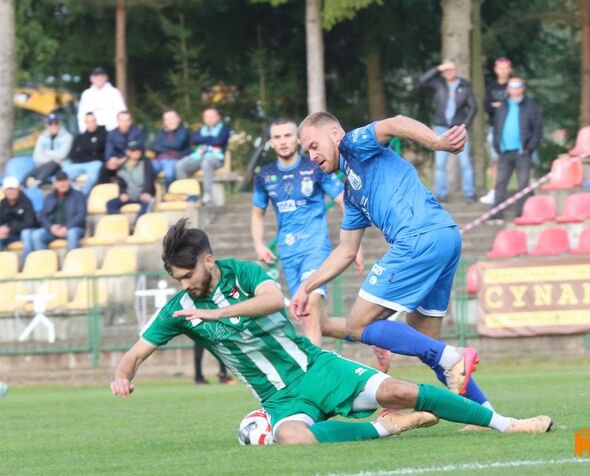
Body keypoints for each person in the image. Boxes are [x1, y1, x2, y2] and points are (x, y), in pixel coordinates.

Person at [109, 219, 552, 445]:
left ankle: (507, 424)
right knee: (290, 438)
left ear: (208, 261)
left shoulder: (242, 273)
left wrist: (211, 317)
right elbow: (135, 351)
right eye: (177, 280)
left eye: (187, 276)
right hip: (280, 399)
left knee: (401, 389)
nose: (184, 286)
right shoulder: (180, 307)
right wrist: (123, 373)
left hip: (316, 367)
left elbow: (272, 300)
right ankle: (386, 430)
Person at [291, 113, 494, 410]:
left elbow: (395, 123)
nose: (312, 156)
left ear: (334, 133)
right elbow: (346, 251)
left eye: (313, 146)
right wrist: (306, 287)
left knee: (359, 324)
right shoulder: (352, 193)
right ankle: (484, 411)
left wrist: (437, 142)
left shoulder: (353, 144)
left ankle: (453, 356)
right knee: (427, 343)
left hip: (418, 239)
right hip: (445, 237)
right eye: (307, 152)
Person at [251, 119, 382, 363]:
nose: (283, 141)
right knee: (322, 324)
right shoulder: (265, 176)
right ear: (271, 142)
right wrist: (259, 243)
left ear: (297, 140)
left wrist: (356, 245)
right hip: (289, 254)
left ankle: (314, 382)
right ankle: (377, 337)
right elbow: (258, 213)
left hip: (316, 248)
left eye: (288, 135)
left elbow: (344, 200)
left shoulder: (314, 167)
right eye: (277, 137)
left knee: (309, 305)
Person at [419, 60, 477, 203]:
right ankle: (441, 195)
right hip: (441, 128)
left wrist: (465, 125)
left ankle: (470, 194)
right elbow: (422, 80)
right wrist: (439, 68)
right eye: (446, 70)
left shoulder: (464, 85)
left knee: (465, 163)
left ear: (456, 70)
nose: (449, 72)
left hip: (459, 128)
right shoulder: (439, 84)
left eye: (451, 69)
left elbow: (473, 107)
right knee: (440, 164)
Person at [488, 77, 543, 223]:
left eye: (518, 86)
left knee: (523, 184)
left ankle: (522, 214)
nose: (515, 89)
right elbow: (496, 128)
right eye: (512, 86)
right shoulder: (503, 107)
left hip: (523, 153)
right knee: (500, 183)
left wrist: (530, 147)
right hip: (505, 152)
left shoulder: (531, 106)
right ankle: (496, 215)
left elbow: (537, 129)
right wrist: (497, 146)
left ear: (522, 88)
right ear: (508, 89)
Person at [21, 171, 86, 259]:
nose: (62, 184)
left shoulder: (79, 196)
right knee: (37, 235)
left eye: (64, 181)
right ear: (55, 183)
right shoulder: (50, 197)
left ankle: (72, 262)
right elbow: (43, 216)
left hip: (72, 228)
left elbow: (81, 215)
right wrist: (51, 227)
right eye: (59, 181)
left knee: (72, 234)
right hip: (53, 229)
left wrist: (67, 227)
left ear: (68, 181)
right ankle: (46, 262)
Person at [177, 108, 230, 205]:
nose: (209, 119)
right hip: (199, 156)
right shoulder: (201, 129)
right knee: (181, 165)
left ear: (218, 117)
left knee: (206, 162)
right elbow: (193, 140)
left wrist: (203, 139)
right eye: (207, 117)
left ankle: (207, 194)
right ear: (204, 119)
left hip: (216, 158)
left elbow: (219, 141)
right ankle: (187, 194)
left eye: (212, 116)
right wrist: (210, 138)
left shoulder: (224, 129)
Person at [480, 57, 513, 206]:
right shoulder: (491, 87)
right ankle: (495, 190)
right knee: (495, 161)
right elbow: (487, 105)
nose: (503, 71)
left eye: (506, 68)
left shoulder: (514, 85)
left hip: (512, 129)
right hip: (495, 128)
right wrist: (500, 106)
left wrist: (500, 105)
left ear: (510, 69)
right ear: (496, 70)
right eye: (500, 68)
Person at [105, 140, 156, 219]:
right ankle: (121, 223)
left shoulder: (146, 162)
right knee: (111, 204)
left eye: (138, 149)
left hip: (142, 194)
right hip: (128, 195)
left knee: (147, 205)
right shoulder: (122, 165)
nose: (137, 152)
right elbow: (121, 182)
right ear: (127, 152)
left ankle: (137, 225)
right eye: (133, 150)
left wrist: (147, 192)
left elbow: (149, 179)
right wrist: (123, 193)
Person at [61, 112, 106, 195]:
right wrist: (91, 153)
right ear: (85, 123)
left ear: (96, 121)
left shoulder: (104, 134)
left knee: (92, 177)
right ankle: (75, 191)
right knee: (62, 174)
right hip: (79, 164)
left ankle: (82, 195)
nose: (91, 124)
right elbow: (72, 155)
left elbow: (99, 150)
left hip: (95, 163)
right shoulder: (80, 137)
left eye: (93, 121)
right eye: (88, 122)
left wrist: (83, 152)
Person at [24, 114, 73, 188]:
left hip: (61, 167)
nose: (53, 125)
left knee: (52, 165)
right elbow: (36, 156)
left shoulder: (67, 136)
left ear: (59, 123)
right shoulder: (42, 137)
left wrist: (45, 152)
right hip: (46, 166)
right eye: (50, 123)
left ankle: (38, 182)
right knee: (27, 176)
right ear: (46, 125)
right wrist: (53, 159)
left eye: (56, 123)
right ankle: (25, 185)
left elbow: (62, 155)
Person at [76, 67, 127, 133]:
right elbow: (81, 114)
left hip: (111, 130)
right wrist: (83, 131)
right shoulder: (86, 94)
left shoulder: (114, 92)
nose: (99, 78)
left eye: (102, 76)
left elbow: (122, 111)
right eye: (96, 76)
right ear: (91, 78)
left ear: (106, 77)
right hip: (92, 131)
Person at [149, 110, 191, 187]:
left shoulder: (184, 131)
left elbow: (177, 144)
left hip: (174, 159)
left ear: (178, 119)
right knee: (146, 170)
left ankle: (169, 195)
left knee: (169, 174)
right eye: (167, 119)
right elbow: (153, 145)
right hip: (158, 159)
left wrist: (161, 144)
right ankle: (149, 196)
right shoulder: (161, 132)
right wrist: (169, 148)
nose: (170, 121)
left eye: (172, 118)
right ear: (164, 122)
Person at [103, 111, 145, 183]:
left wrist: (123, 160)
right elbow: (108, 153)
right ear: (118, 121)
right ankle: (104, 192)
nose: (124, 124)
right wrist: (112, 159)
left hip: (133, 161)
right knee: (104, 168)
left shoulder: (138, 133)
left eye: (127, 121)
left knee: (131, 166)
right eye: (121, 121)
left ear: (131, 121)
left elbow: (138, 153)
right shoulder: (112, 134)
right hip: (116, 161)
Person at [0, 177, 38, 250]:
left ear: (18, 189)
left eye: (13, 189)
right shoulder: (3, 203)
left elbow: (29, 223)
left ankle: (26, 260)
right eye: (8, 189)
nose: (11, 192)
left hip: (24, 232)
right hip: (9, 234)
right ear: (4, 191)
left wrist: (10, 228)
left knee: (26, 234)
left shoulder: (26, 202)